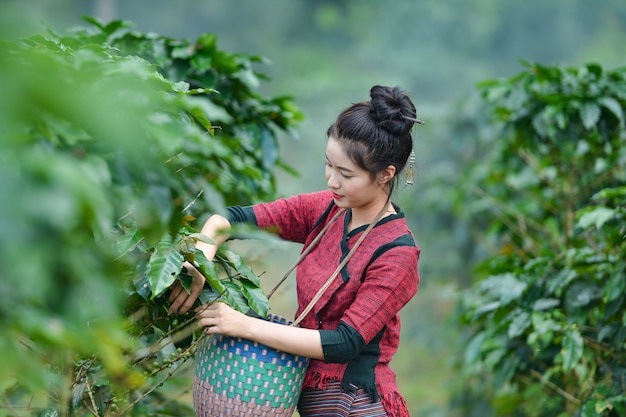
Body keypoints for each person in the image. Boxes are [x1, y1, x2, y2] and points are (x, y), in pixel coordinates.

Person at [168, 85, 422, 417]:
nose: (331, 180)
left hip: (357, 404)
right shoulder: (325, 209)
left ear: (386, 174)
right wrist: (200, 260)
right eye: (329, 165)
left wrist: (243, 325)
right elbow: (234, 219)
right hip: (310, 402)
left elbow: (345, 342)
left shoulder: (397, 252)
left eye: (346, 174)